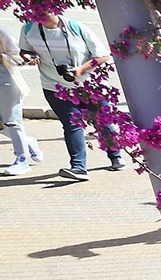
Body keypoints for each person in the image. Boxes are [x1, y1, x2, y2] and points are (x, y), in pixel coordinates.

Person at [19, 12, 124, 181]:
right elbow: (24, 50)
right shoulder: (29, 29)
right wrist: (28, 57)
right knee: (72, 124)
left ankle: (116, 155)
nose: (40, 15)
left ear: (54, 10)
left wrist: (80, 70)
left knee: (102, 122)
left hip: (89, 86)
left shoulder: (76, 28)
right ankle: (78, 168)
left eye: (44, 10)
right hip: (54, 86)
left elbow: (102, 55)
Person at [0, 24, 42, 176]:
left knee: (12, 120)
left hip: (5, 81)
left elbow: (17, 57)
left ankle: (22, 159)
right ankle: (27, 142)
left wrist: (1, 56)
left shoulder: (1, 31)